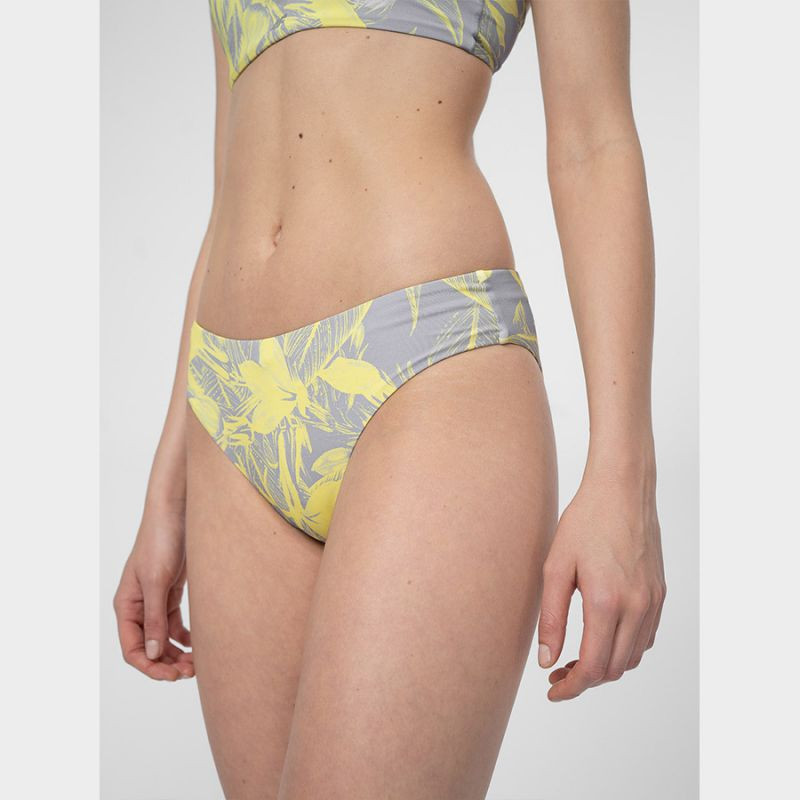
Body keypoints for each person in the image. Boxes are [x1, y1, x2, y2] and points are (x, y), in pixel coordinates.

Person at [113, 1, 666, 797]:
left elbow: (594, 140)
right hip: (233, 405)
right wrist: (165, 493)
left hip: (426, 365)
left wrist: (623, 477)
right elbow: (230, 179)